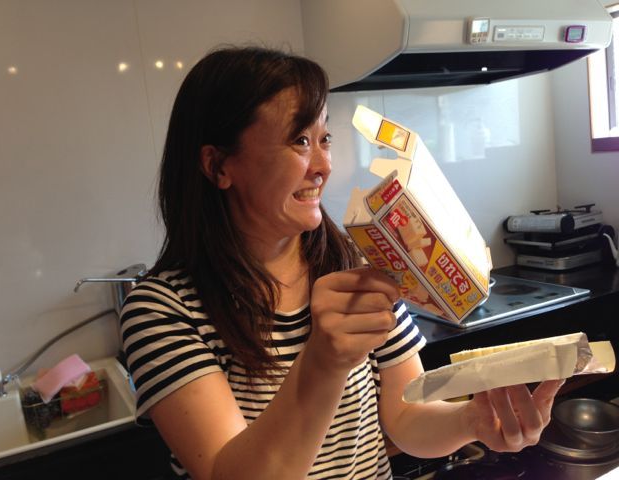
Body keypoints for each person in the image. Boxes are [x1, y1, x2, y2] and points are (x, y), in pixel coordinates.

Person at [120, 45, 564, 480]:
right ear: (218, 166)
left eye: (324, 139)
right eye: (299, 140)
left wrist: (471, 421)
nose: (323, 166)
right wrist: (323, 363)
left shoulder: (353, 265)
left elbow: (406, 417)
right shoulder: (163, 310)